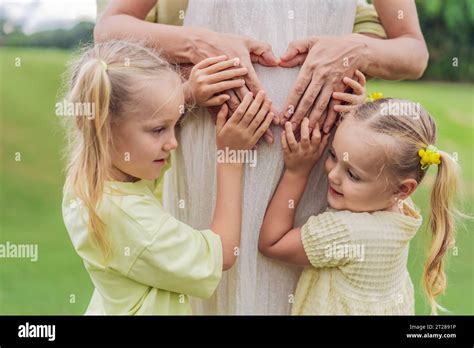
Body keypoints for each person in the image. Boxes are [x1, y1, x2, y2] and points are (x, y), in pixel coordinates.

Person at [94, 0, 429, 314]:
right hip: (211, 152)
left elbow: (413, 52)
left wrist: (358, 51)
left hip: (315, 164)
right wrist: (196, 46)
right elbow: (111, 29)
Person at [61, 40, 273, 314]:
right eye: (159, 129)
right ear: (104, 129)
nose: (172, 142)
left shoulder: (88, 184)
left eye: (175, 123)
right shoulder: (131, 219)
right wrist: (230, 156)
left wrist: (186, 94)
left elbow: (138, 120)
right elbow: (223, 251)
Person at [259, 73, 460, 314]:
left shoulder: (346, 232)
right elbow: (377, 146)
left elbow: (272, 243)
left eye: (353, 175)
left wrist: (297, 171)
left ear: (402, 189)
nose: (333, 176)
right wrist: (364, 114)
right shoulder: (402, 212)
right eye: (333, 155)